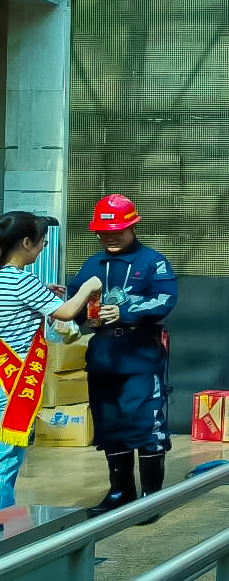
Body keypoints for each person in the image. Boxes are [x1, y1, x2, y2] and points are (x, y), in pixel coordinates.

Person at [68, 194, 178, 517]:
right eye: (103, 233)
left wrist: (126, 311)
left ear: (132, 226)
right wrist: (73, 312)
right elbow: (75, 303)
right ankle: (120, 492)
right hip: (103, 356)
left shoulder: (152, 261)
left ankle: (150, 499)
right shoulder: (92, 264)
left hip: (139, 355)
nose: (110, 238)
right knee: (109, 423)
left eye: (116, 231)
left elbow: (166, 299)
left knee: (145, 422)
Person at [0, 213, 102, 507]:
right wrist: (88, 288)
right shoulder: (22, 280)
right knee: (6, 458)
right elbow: (66, 313)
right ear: (26, 243)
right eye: (42, 241)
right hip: (12, 383)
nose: (44, 246)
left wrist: (42, 294)